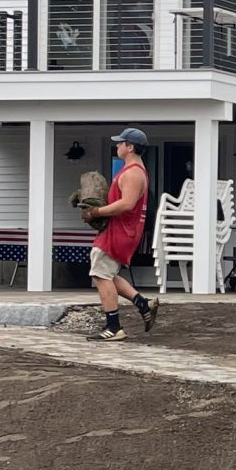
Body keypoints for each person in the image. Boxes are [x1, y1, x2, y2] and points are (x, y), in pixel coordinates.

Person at [83, 129, 156, 342]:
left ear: (130, 147)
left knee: (100, 275)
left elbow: (127, 204)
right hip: (120, 230)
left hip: (120, 231)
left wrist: (96, 212)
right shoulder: (133, 170)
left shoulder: (133, 172)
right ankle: (143, 303)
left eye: (121, 143)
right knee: (108, 273)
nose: (117, 146)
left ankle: (113, 327)